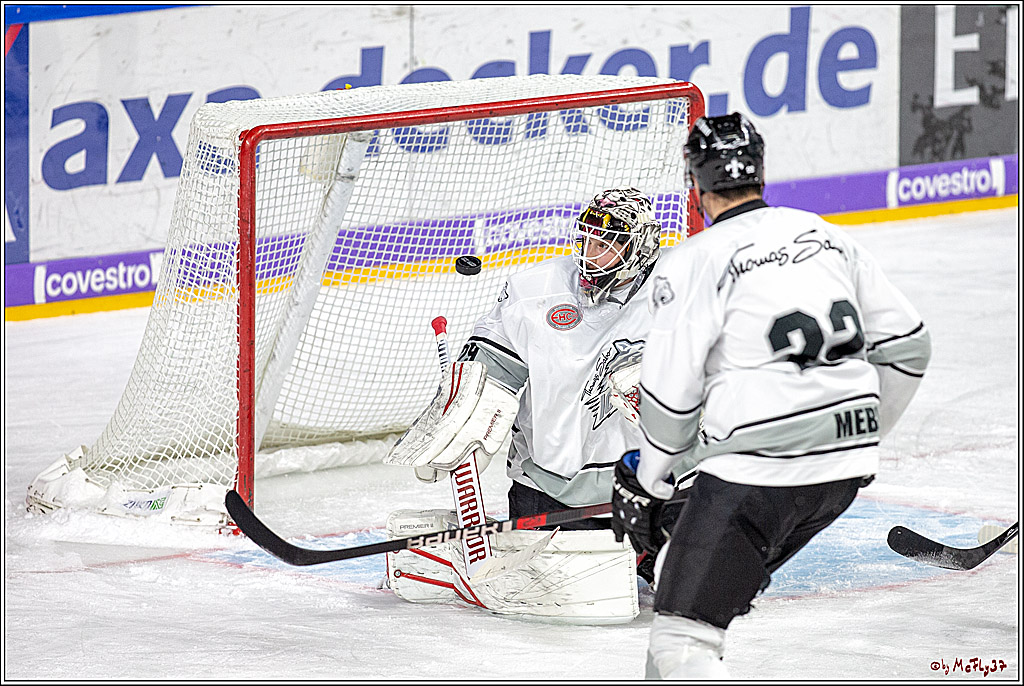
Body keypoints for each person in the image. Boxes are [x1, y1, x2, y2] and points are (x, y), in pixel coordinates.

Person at [610, 113, 932, 678]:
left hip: (760, 478)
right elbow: (910, 347)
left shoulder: (694, 260)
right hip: (841, 476)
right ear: (759, 172)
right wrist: (862, 434)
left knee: (683, 638)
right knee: (681, 591)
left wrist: (651, 479)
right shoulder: (827, 235)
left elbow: (670, 397)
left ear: (696, 182)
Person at [382, 187, 694, 623]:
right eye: (587, 240)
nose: (590, 255)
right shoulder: (535, 290)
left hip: (655, 485)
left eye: (606, 245)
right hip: (552, 486)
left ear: (640, 248)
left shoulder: (683, 291)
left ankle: (659, 548)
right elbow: (489, 368)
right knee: (561, 594)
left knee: (694, 586)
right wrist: (461, 417)